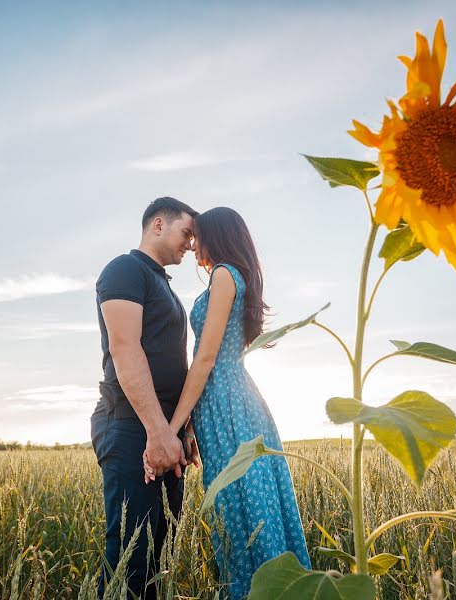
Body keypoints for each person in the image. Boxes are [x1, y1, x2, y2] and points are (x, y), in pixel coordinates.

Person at [143, 206, 311, 599]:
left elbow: (205, 358)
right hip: (229, 403)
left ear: (217, 236)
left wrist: (171, 427)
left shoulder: (223, 275)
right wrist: (188, 426)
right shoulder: (237, 277)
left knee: (244, 514)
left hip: (228, 405)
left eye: (197, 235)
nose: (193, 243)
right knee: (247, 512)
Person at [90, 197, 199, 599]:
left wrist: (180, 430)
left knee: (158, 556)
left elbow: (175, 362)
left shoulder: (163, 286)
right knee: (129, 561)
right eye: (186, 233)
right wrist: (157, 431)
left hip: (164, 434)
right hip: (132, 428)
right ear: (157, 224)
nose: (191, 244)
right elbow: (125, 349)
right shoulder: (125, 269)